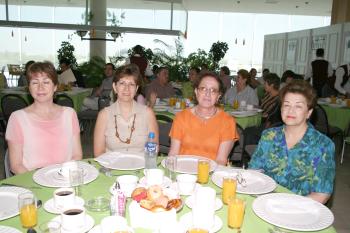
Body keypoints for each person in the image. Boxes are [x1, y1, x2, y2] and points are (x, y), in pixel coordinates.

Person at [249, 80, 335, 204]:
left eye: (298, 106)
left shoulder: (323, 145)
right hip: (264, 202)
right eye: (287, 105)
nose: (291, 111)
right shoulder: (269, 136)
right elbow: (254, 172)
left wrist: (286, 205)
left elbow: (321, 194)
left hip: (299, 210)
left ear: (309, 112)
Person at [5, 62, 82, 174]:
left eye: (46, 82)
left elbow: (77, 155)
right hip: (32, 183)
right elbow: (16, 165)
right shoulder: (17, 118)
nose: (40, 88)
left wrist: (63, 177)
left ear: (55, 86)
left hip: (65, 179)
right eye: (35, 83)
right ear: (29, 88)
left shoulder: (69, 114)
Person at [168, 71, 239, 165]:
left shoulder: (227, 121)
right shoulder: (181, 117)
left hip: (210, 173)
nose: (208, 94)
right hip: (182, 172)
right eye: (203, 89)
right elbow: (173, 154)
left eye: (213, 90)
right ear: (196, 92)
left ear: (218, 96)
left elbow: (221, 160)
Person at [94, 64, 158, 157]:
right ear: (115, 87)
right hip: (112, 168)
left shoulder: (148, 113)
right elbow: (99, 153)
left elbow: (154, 149)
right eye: (122, 83)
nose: (126, 88)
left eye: (131, 84)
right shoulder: (104, 115)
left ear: (136, 89)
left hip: (140, 167)